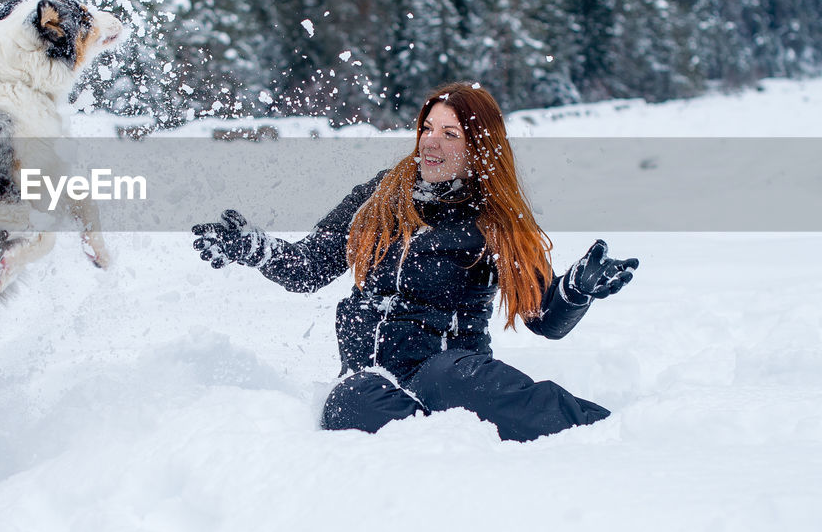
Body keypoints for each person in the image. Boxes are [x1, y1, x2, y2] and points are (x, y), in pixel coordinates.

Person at [191, 82, 638, 441]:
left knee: (466, 385)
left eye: (450, 134)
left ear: (478, 146)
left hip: (447, 366)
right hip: (371, 372)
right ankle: (446, 441)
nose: (431, 142)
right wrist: (252, 248)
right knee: (349, 404)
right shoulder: (381, 194)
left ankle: (605, 430)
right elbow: (310, 266)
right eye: (428, 128)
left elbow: (543, 316)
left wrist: (575, 291)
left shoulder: (495, 216)